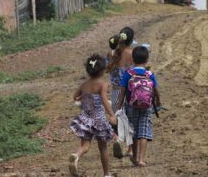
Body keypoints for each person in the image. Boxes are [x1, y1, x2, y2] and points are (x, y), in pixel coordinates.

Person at [69, 54, 117, 177]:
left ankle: (76, 155)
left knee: (85, 145)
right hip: (98, 119)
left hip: (85, 118)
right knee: (103, 148)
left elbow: (75, 96)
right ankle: (106, 174)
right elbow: (105, 101)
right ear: (102, 70)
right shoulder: (102, 84)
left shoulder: (84, 84)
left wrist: (81, 96)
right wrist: (111, 115)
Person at [117, 46, 161, 167]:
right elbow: (156, 90)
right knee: (143, 132)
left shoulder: (128, 74)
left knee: (133, 132)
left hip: (131, 106)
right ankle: (142, 159)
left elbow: (122, 92)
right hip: (146, 107)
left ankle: (134, 157)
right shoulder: (149, 74)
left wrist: (119, 107)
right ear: (146, 59)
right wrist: (158, 102)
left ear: (132, 59)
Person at [107, 27, 134, 158]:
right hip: (129, 92)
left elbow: (107, 69)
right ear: (131, 40)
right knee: (129, 120)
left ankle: (117, 138)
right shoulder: (132, 54)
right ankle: (130, 149)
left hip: (115, 92)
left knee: (116, 118)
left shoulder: (111, 54)